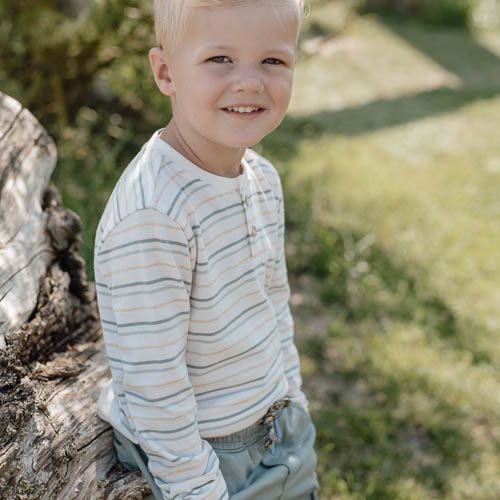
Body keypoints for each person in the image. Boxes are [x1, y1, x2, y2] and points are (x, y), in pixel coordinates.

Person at [94, 0, 318, 498]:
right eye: (220, 59)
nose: (249, 81)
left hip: (280, 427)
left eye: (273, 61)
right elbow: (156, 391)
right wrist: (199, 489)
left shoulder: (261, 178)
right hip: (207, 455)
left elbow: (273, 302)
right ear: (166, 72)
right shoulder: (154, 215)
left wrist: (293, 401)